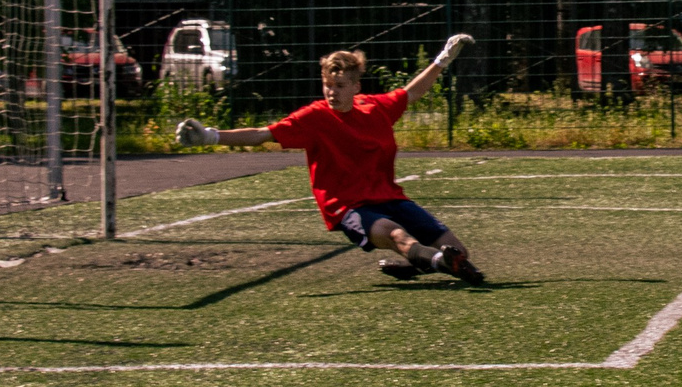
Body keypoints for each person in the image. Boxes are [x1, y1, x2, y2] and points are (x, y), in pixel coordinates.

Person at [177, 36, 486, 283]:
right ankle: (430, 260)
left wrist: (442, 60)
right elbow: (261, 134)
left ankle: (419, 264)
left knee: (458, 249)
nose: (332, 92)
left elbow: (411, 92)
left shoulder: (375, 108)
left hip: (390, 198)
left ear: (356, 87)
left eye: (339, 86)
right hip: (349, 206)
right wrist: (211, 136)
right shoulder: (313, 117)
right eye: (327, 85)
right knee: (396, 234)